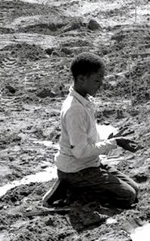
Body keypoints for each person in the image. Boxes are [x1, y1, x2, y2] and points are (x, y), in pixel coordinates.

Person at [43, 52, 139, 209]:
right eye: (97, 80)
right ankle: (70, 191)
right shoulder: (74, 109)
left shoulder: (84, 101)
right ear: (81, 79)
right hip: (77, 171)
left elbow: (89, 143)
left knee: (134, 190)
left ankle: (73, 188)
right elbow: (80, 152)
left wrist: (112, 140)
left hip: (89, 165)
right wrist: (114, 143)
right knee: (127, 196)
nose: (100, 85)